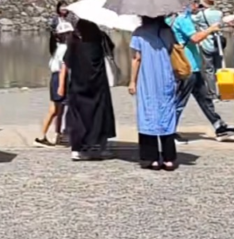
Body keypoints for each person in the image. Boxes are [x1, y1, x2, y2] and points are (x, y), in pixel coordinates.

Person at [172, 0, 234, 140]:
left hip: (194, 66)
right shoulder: (183, 19)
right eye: (196, 3)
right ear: (189, 4)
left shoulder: (188, 18)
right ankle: (170, 131)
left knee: (205, 98)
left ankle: (219, 126)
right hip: (187, 67)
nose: (199, 6)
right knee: (180, 101)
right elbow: (195, 38)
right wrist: (210, 29)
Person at [129, 17, 179, 170]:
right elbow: (173, 50)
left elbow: (137, 58)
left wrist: (132, 81)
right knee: (166, 114)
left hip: (147, 78)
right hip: (166, 77)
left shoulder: (139, 33)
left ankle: (151, 158)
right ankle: (169, 157)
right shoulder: (167, 31)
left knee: (148, 114)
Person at [63, 19, 116, 162]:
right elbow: (111, 49)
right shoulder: (99, 40)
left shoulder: (73, 42)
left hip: (78, 83)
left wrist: (61, 85)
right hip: (97, 83)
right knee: (99, 115)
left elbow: (66, 63)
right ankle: (98, 147)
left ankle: (77, 149)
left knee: (78, 117)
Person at [35, 18, 73, 147]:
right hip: (60, 79)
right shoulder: (65, 49)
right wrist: (62, 86)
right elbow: (63, 68)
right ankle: (43, 136)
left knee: (57, 109)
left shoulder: (58, 48)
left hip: (55, 78)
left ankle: (56, 134)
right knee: (55, 110)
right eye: (68, 34)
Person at [194, 0, 224, 100]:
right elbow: (221, 25)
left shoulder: (201, 14)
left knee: (209, 69)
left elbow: (192, 20)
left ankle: (212, 93)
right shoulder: (219, 13)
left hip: (206, 42)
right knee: (219, 68)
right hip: (218, 43)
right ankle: (223, 91)